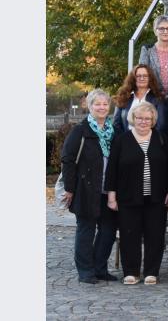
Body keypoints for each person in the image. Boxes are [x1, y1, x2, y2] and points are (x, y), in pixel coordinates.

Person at [105, 103, 168, 285]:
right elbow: (111, 170)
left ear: (153, 120)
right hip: (128, 197)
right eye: (140, 118)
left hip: (157, 197)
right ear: (133, 119)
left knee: (155, 235)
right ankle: (131, 272)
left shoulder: (161, 138)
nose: (143, 121)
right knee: (129, 235)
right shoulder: (121, 140)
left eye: (147, 118)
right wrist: (111, 196)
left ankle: (151, 272)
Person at [60, 89, 118, 284]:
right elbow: (68, 159)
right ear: (90, 106)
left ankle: (100, 268)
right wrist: (69, 188)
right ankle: (85, 271)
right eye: (97, 104)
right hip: (86, 189)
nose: (102, 107)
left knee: (108, 231)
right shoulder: (81, 130)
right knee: (86, 230)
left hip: (108, 190)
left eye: (105, 104)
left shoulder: (113, 131)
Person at [113, 65, 167, 136]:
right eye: (138, 76)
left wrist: (147, 139)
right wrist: (124, 139)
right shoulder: (124, 97)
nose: (142, 78)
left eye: (145, 76)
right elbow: (116, 124)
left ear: (150, 78)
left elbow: (160, 125)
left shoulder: (158, 98)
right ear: (133, 78)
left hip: (150, 140)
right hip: (126, 139)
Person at [139, 15, 168, 96]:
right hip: (152, 96)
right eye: (161, 28)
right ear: (155, 31)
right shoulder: (146, 50)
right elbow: (143, 75)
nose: (165, 31)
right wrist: (157, 94)